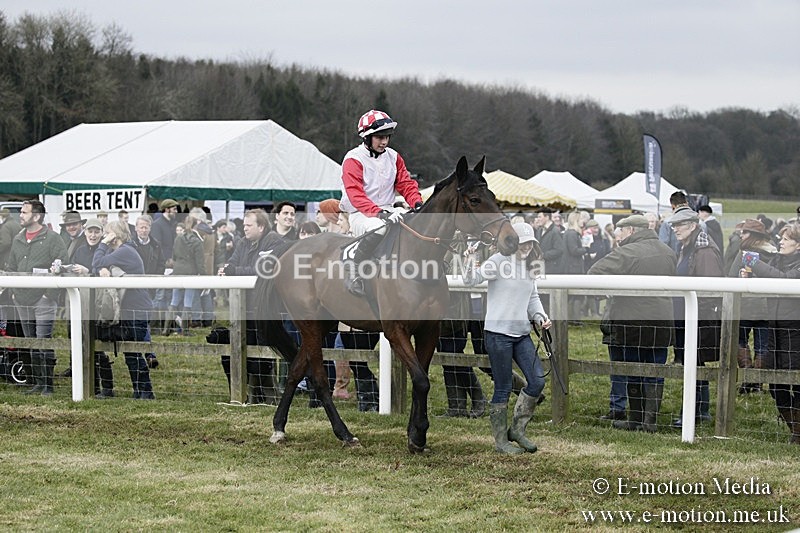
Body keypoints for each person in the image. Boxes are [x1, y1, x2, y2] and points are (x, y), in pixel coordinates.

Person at [464, 222, 551, 454]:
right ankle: (501, 441)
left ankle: (517, 430)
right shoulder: (497, 262)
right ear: (512, 242)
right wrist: (470, 259)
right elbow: (470, 280)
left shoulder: (530, 267)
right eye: (523, 243)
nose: (527, 247)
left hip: (522, 333)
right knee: (502, 387)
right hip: (497, 335)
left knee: (537, 381)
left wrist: (541, 317)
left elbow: (533, 298)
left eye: (530, 243)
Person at [588, 215, 676, 431]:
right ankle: (650, 421)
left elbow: (593, 273)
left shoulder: (627, 251)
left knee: (632, 370)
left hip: (632, 324)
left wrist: (611, 292)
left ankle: (635, 419)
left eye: (621, 231)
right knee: (655, 371)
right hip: (662, 323)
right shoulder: (668, 252)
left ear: (631, 231)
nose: (619, 236)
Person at [339, 109, 422, 296]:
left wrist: (417, 203)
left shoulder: (394, 157)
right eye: (379, 137)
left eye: (387, 137)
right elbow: (356, 195)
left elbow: (406, 184)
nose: (384, 142)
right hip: (361, 214)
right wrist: (380, 213)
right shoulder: (353, 159)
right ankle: (354, 270)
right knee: (380, 227)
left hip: (388, 210)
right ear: (367, 138)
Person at [742, 221, 800, 443]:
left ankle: (797, 434)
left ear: (798, 245)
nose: (781, 242)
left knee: (797, 382)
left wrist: (754, 263)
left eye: (786, 239)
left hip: (796, 332)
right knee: (776, 385)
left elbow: (783, 280)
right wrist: (750, 277)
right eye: (781, 238)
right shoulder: (778, 259)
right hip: (775, 330)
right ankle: (795, 429)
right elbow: (771, 278)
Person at [668, 209, 723, 428]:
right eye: (673, 225)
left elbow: (711, 289)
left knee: (693, 364)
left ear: (692, 225)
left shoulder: (704, 251)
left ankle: (691, 413)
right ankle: (699, 410)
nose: (675, 229)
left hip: (696, 319)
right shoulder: (688, 247)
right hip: (685, 317)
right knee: (692, 364)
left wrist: (696, 315)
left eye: (679, 224)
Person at [218, 209, 280, 404]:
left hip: (264, 308)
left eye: (248, 225)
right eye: (244, 225)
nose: (244, 228)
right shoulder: (243, 242)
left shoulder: (273, 241)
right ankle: (243, 394)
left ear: (260, 226)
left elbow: (264, 268)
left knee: (263, 355)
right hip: (242, 307)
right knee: (235, 350)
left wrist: (233, 271)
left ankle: (266, 397)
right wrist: (229, 269)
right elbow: (232, 263)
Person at [6, 200, 67, 395]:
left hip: (43, 298)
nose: (21, 215)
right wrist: (14, 292)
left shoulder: (53, 238)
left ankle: (48, 384)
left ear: (37, 216)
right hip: (21, 297)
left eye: (24, 212)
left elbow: (62, 265)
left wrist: (47, 294)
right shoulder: (18, 239)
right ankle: (38, 382)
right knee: (31, 341)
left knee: (44, 341)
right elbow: (11, 267)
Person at [92, 220, 155, 399]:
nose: (104, 236)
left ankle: (146, 392)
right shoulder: (122, 251)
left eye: (107, 233)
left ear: (116, 234)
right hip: (132, 309)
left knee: (133, 352)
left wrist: (102, 245)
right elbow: (99, 265)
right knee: (130, 352)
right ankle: (139, 391)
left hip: (137, 309)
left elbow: (96, 261)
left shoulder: (125, 251)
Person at [727, 219, 776, 394]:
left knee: (740, 340)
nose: (741, 235)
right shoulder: (774, 252)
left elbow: (732, 276)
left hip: (746, 305)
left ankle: (748, 380)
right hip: (767, 307)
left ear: (753, 235)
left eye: (745, 232)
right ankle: (757, 383)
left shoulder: (744, 254)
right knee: (763, 345)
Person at [131, 215, 165, 367]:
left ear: (150, 228)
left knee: (143, 320)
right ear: (136, 228)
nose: (143, 230)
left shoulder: (156, 245)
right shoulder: (130, 244)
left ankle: (147, 353)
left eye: (146, 227)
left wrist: (154, 279)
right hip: (133, 288)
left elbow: (161, 264)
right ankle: (145, 353)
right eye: (141, 227)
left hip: (148, 288)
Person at [167, 215, 205, 333]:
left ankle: (165, 328)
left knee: (174, 300)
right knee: (187, 302)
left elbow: (174, 256)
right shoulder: (197, 241)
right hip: (190, 272)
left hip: (177, 271)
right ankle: (185, 330)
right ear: (196, 225)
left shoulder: (178, 238)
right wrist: (204, 277)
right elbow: (200, 263)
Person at [150, 199, 180, 322]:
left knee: (169, 294)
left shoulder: (172, 224)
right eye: (174, 209)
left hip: (172, 263)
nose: (176, 211)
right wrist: (166, 260)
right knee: (160, 295)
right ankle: (156, 323)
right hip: (163, 264)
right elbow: (157, 246)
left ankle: (167, 322)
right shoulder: (157, 224)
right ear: (167, 209)